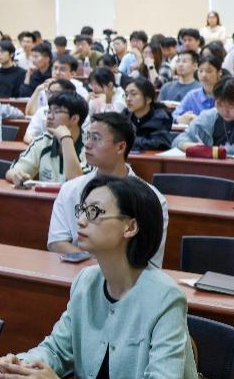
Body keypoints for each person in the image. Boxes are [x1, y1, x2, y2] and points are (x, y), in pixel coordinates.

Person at [0, 175, 204, 379]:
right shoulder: (86, 281)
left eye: (94, 212)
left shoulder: (165, 296)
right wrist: (21, 367)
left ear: (130, 227)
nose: (81, 221)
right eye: (82, 210)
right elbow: (56, 350)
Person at [47, 112, 169, 268]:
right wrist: (95, 271)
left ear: (121, 147)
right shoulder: (70, 189)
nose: (87, 144)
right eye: (88, 137)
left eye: (96, 138)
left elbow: (149, 259)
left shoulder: (152, 199)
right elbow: (57, 242)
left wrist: (107, 272)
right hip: (75, 273)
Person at [6, 91, 88, 184]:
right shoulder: (43, 141)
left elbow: (77, 183)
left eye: (57, 112)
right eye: (49, 111)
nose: (49, 117)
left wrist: (66, 139)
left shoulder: (89, 146)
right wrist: (16, 176)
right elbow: (12, 171)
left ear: (74, 119)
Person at [172, 77, 234, 156]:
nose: (224, 111)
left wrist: (206, 151)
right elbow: (177, 141)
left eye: (231, 106)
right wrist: (191, 146)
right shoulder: (208, 116)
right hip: (212, 167)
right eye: (220, 104)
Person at [122, 77, 174, 151]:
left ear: (148, 99)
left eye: (133, 94)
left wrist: (130, 140)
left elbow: (161, 143)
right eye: (126, 94)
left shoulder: (160, 118)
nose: (128, 99)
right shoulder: (125, 115)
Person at [176, 55, 222, 123]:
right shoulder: (192, 95)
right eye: (200, 71)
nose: (204, 75)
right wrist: (180, 119)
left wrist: (199, 120)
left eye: (209, 71)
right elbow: (175, 115)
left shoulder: (225, 95)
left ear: (219, 73)